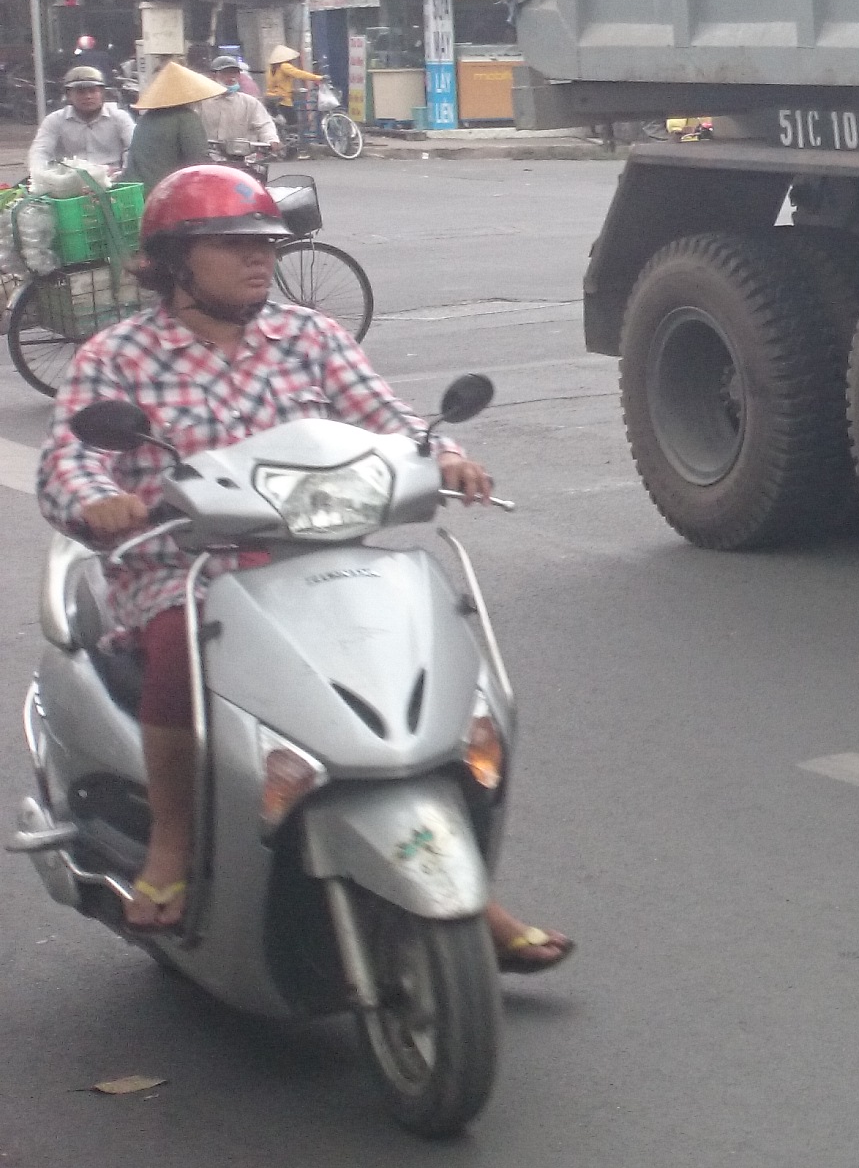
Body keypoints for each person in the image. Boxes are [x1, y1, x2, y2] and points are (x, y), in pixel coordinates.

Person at [32, 166, 573, 970]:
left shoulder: (309, 337)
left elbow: (387, 419)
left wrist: (445, 454)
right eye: (236, 245)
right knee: (183, 642)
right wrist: (98, 499)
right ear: (175, 258)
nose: (261, 260)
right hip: (185, 568)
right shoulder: (118, 356)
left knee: (423, 658)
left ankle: (461, 885)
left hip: (318, 557)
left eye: (268, 246)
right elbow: (69, 459)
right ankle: (174, 842)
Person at [119, 58, 220, 183]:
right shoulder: (186, 118)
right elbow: (198, 163)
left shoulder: (145, 118)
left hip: (137, 191)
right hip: (166, 190)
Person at [25, 67, 132, 181]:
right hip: (69, 181)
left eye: (93, 91)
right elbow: (40, 151)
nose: (88, 96)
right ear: (68, 95)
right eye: (81, 92)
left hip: (113, 180)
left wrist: (124, 173)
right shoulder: (54, 120)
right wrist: (40, 176)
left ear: (102, 93)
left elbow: (133, 147)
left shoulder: (120, 117)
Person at [198, 54, 282, 164]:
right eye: (225, 73)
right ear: (213, 75)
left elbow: (264, 124)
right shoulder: (201, 102)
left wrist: (271, 140)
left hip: (245, 160)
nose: (231, 77)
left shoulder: (250, 103)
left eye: (235, 73)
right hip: (210, 159)